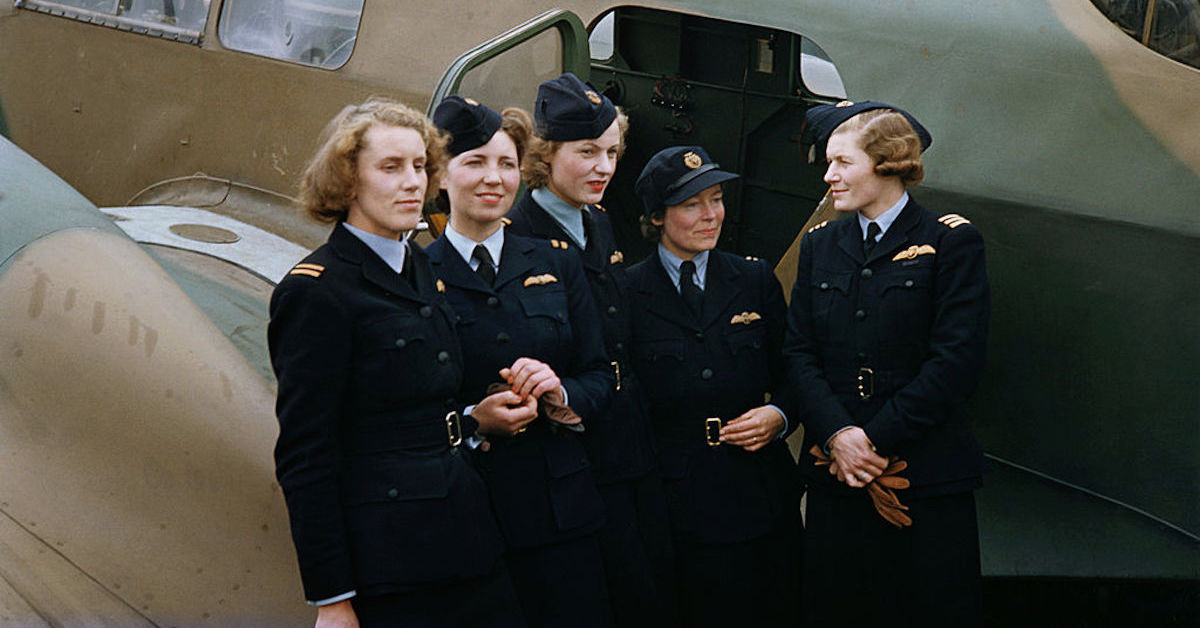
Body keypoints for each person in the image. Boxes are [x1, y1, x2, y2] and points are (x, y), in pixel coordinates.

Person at [268, 98, 529, 627]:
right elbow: (306, 454)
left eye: (419, 165)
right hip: (392, 563)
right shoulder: (318, 292)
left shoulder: (418, 264)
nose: (413, 182)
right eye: (390, 167)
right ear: (347, 182)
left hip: (467, 541)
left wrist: (474, 419)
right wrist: (334, 598)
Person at [783, 100, 990, 626]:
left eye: (842, 163)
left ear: (888, 162)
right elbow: (800, 352)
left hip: (925, 478)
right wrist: (837, 436)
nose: (828, 176)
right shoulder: (822, 245)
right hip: (837, 475)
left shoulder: (949, 242)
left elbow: (956, 362)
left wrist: (870, 442)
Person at [425, 95, 616, 628]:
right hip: (465, 518)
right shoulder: (414, 275)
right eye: (475, 162)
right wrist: (471, 422)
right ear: (441, 176)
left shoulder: (558, 263)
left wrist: (561, 394)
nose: (494, 178)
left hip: (562, 518)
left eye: (506, 163)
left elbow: (600, 375)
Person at [504, 72, 677, 628]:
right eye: (587, 153)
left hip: (627, 440)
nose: (605, 167)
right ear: (544, 155)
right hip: (569, 453)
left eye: (611, 152)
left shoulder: (598, 223)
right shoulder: (515, 234)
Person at [625, 145, 803, 628]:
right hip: (678, 496)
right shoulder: (626, 293)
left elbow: (795, 372)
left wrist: (780, 417)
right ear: (657, 217)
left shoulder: (753, 278)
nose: (711, 216)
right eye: (692, 205)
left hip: (761, 490)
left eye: (717, 198)